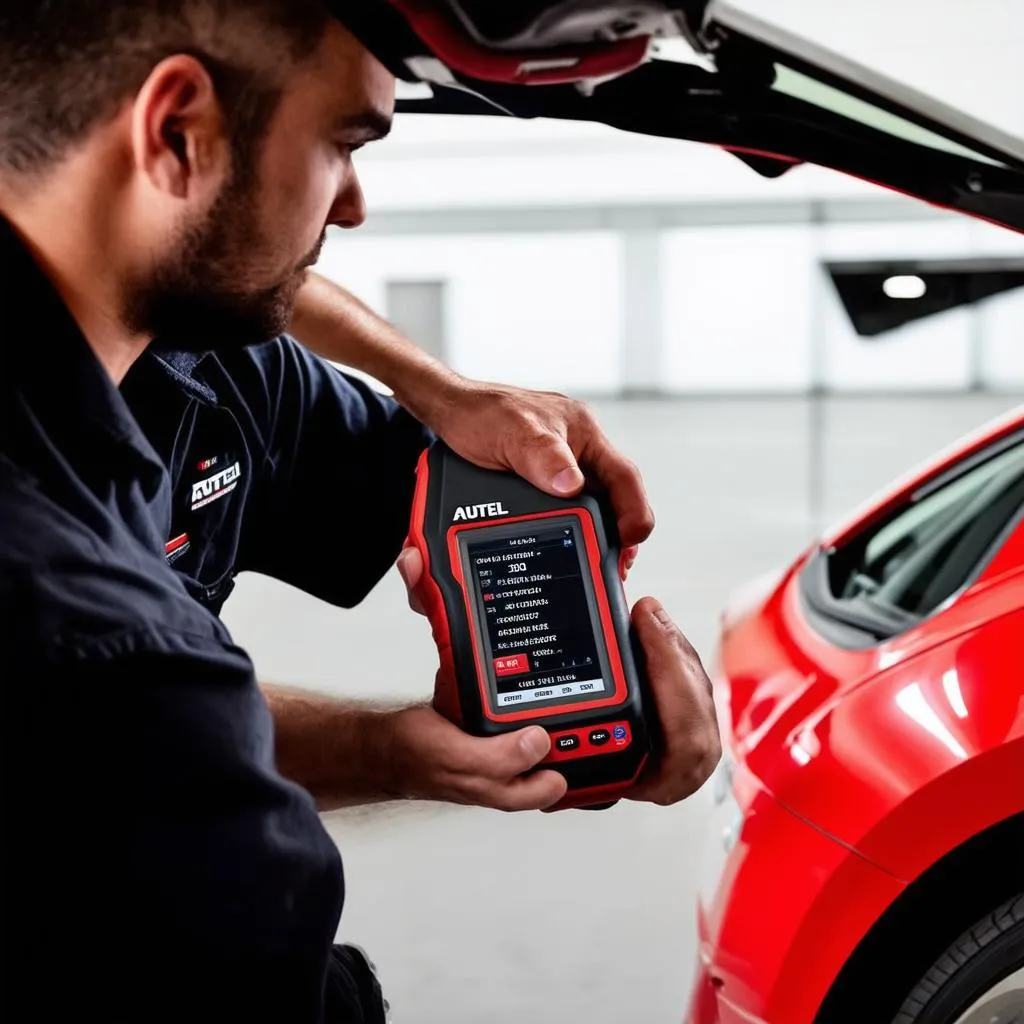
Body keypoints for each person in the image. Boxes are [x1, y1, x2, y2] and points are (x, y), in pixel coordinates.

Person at [0, 2, 721, 1021]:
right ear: (177, 132)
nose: (354, 207)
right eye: (344, 141)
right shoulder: (108, 654)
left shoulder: (214, 369)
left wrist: (438, 391)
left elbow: (446, 483)